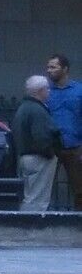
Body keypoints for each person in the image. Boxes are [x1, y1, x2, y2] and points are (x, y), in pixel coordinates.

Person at [12, 73, 61, 213]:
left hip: (25, 156)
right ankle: (32, 227)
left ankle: (26, 223)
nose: (49, 91)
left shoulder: (24, 108)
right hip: (39, 158)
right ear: (40, 91)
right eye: (47, 89)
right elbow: (41, 136)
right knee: (37, 198)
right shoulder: (37, 110)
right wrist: (50, 153)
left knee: (30, 195)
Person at [44, 53, 82, 209]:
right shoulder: (45, 91)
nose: (49, 70)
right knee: (46, 188)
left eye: (53, 67)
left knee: (79, 188)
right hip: (51, 147)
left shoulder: (79, 90)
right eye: (48, 67)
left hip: (75, 145)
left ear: (65, 69)